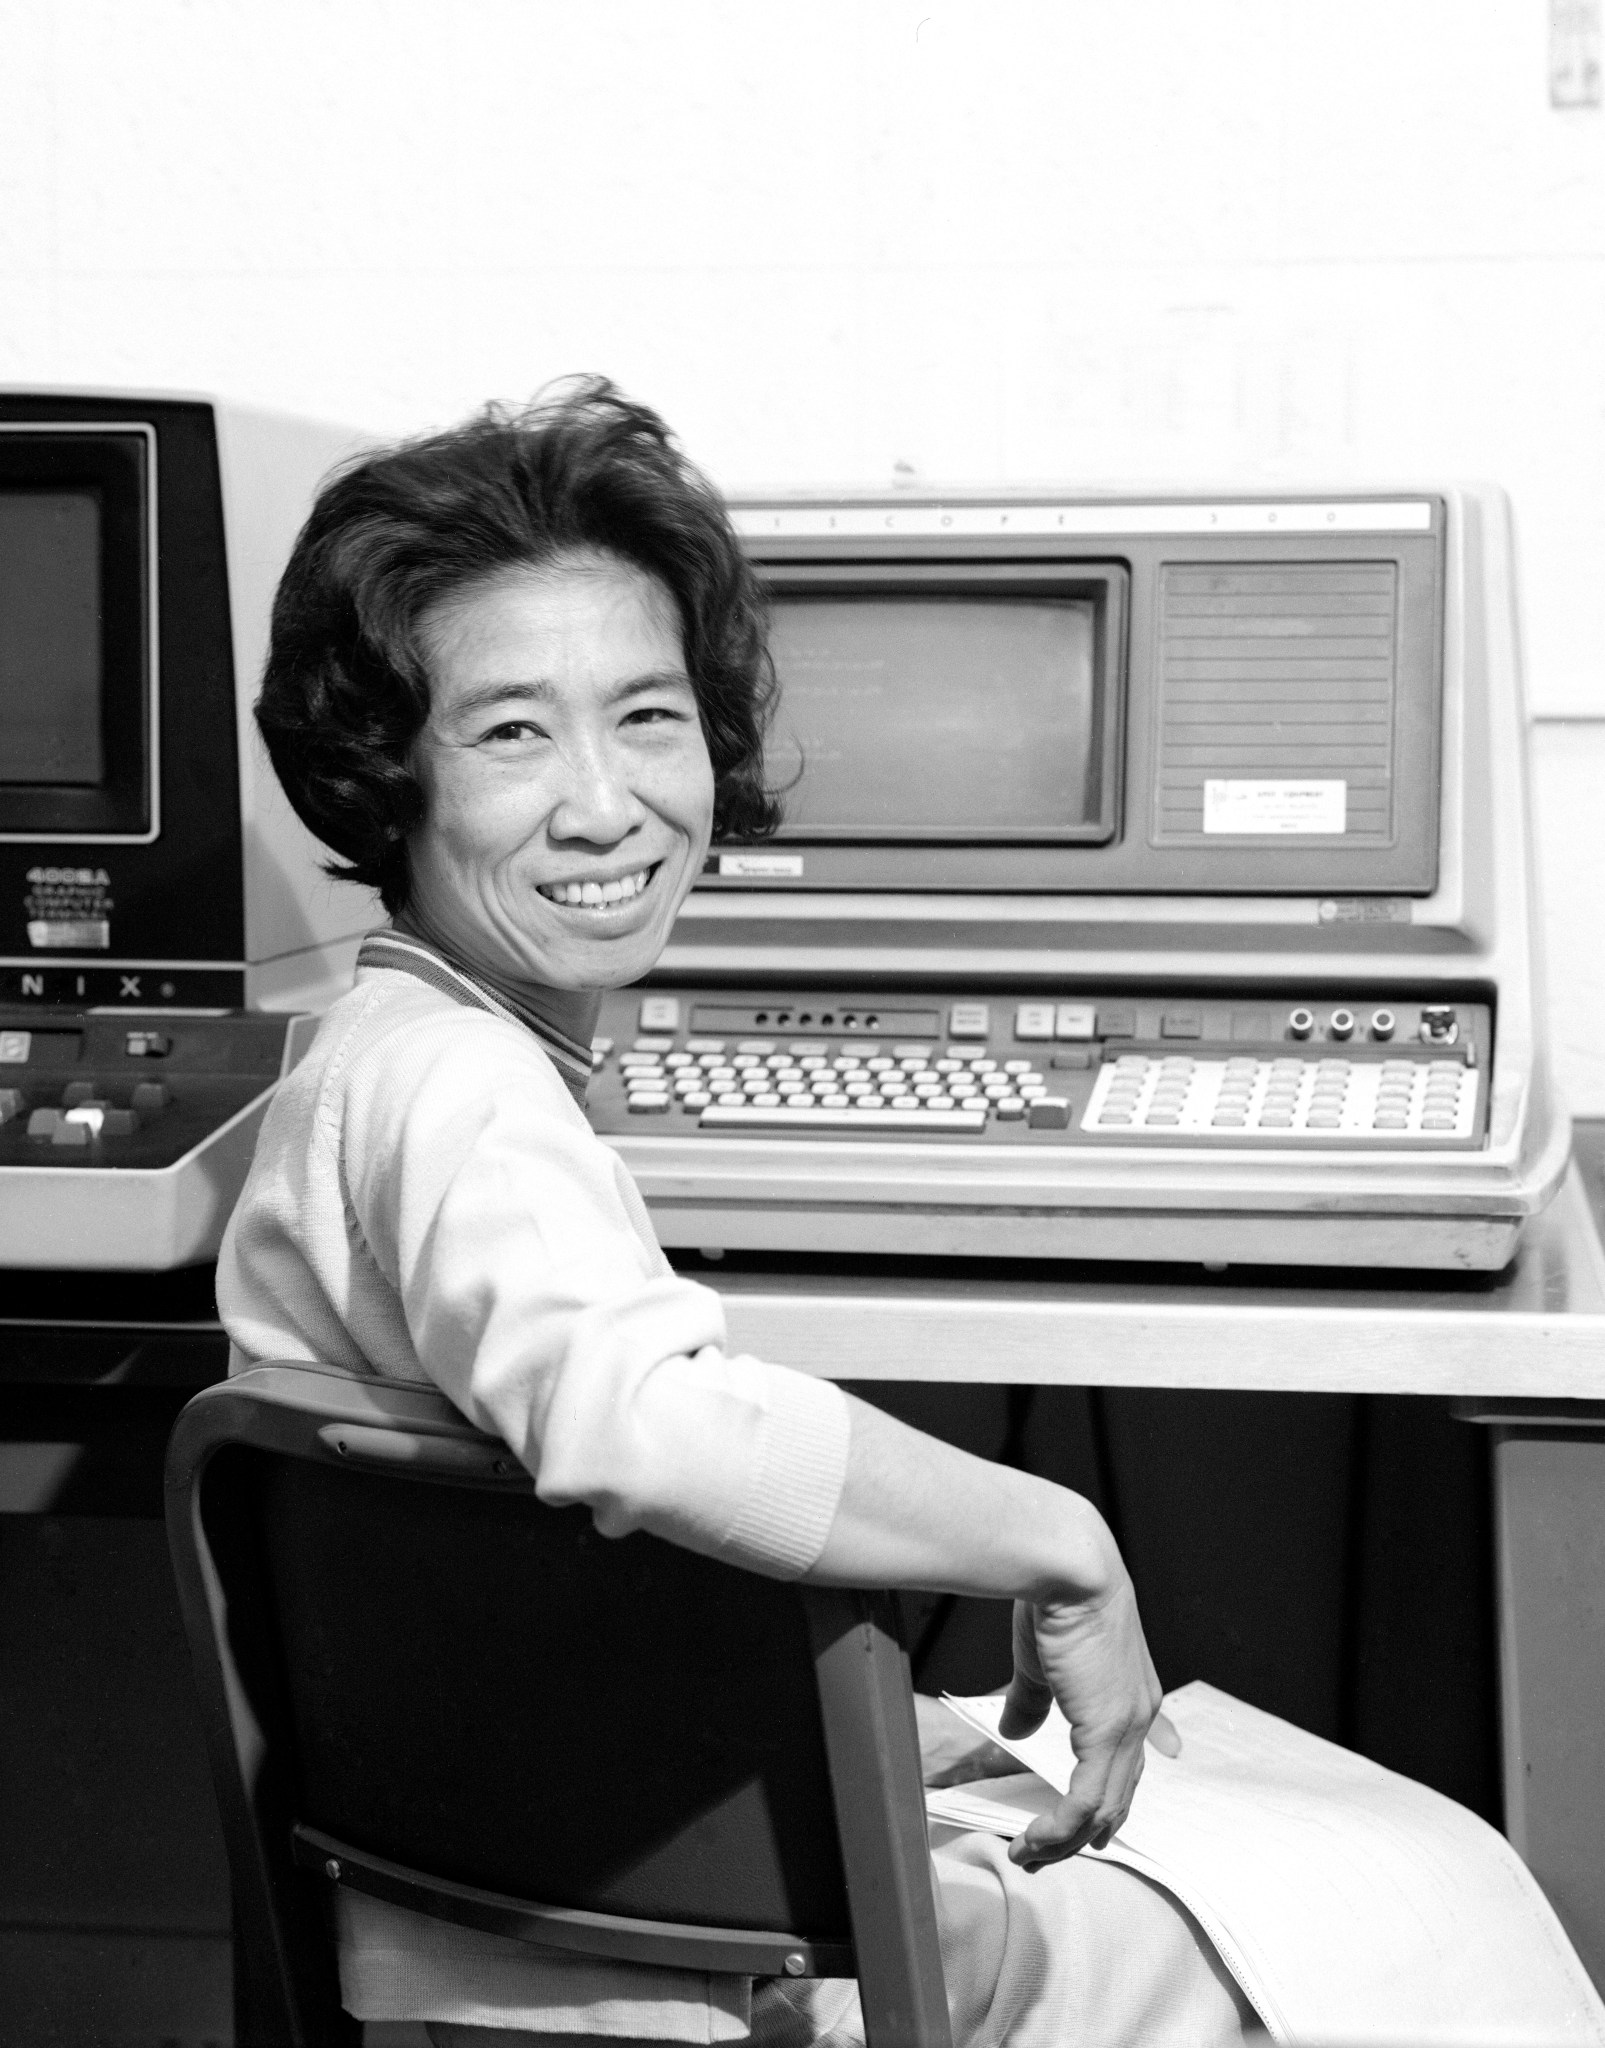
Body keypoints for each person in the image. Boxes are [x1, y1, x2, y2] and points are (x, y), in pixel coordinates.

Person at [218, 378, 1256, 2047]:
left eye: (646, 716)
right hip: (635, 1963)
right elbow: (638, 1424)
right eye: (509, 732)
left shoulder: (372, 1051)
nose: (607, 804)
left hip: (471, 1880)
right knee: (1370, 1898)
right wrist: (1061, 1540)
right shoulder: (464, 1095)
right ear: (380, 771)